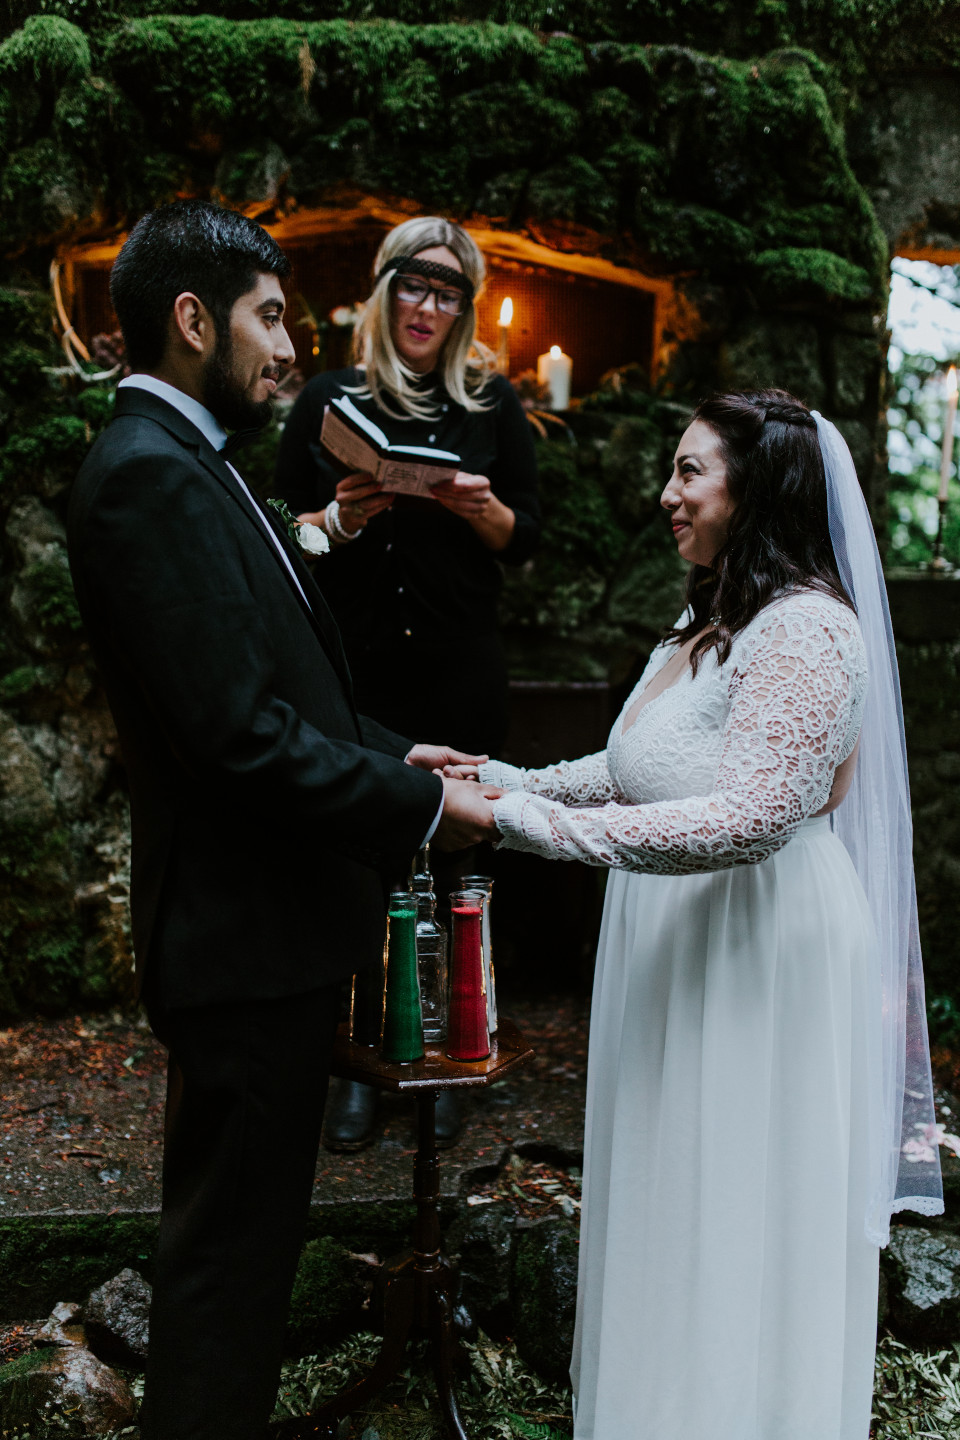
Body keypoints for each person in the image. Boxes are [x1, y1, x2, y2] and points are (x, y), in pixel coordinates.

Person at [66, 200, 499, 1440]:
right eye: (267, 316)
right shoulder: (147, 476)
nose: (288, 343)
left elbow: (280, 682)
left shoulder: (198, 460)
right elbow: (239, 738)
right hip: (240, 945)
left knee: (243, 1266)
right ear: (191, 319)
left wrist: (392, 749)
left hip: (269, 940)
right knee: (227, 1279)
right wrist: (422, 807)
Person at [457, 390, 943, 1438]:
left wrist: (522, 828)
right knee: (671, 1198)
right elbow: (637, 766)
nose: (666, 493)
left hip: (757, 943)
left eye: (689, 472)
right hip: (682, 937)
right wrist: (499, 779)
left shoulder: (809, 630)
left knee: (737, 1204)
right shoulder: (710, 614)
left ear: (755, 487)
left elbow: (750, 819)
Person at [275, 215, 540, 1148]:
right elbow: (286, 543)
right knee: (367, 863)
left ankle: (454, 1057)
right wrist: (335, 518)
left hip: (458, 671)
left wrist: (483, 507)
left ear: (463, 308)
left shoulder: (490, 405)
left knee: (464, 865)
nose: (428, 306)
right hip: (358, 677)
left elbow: (528, 538)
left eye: (447, 292)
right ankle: (362, 1065)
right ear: (385, 291)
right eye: (414, 287)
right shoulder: (327, 400)